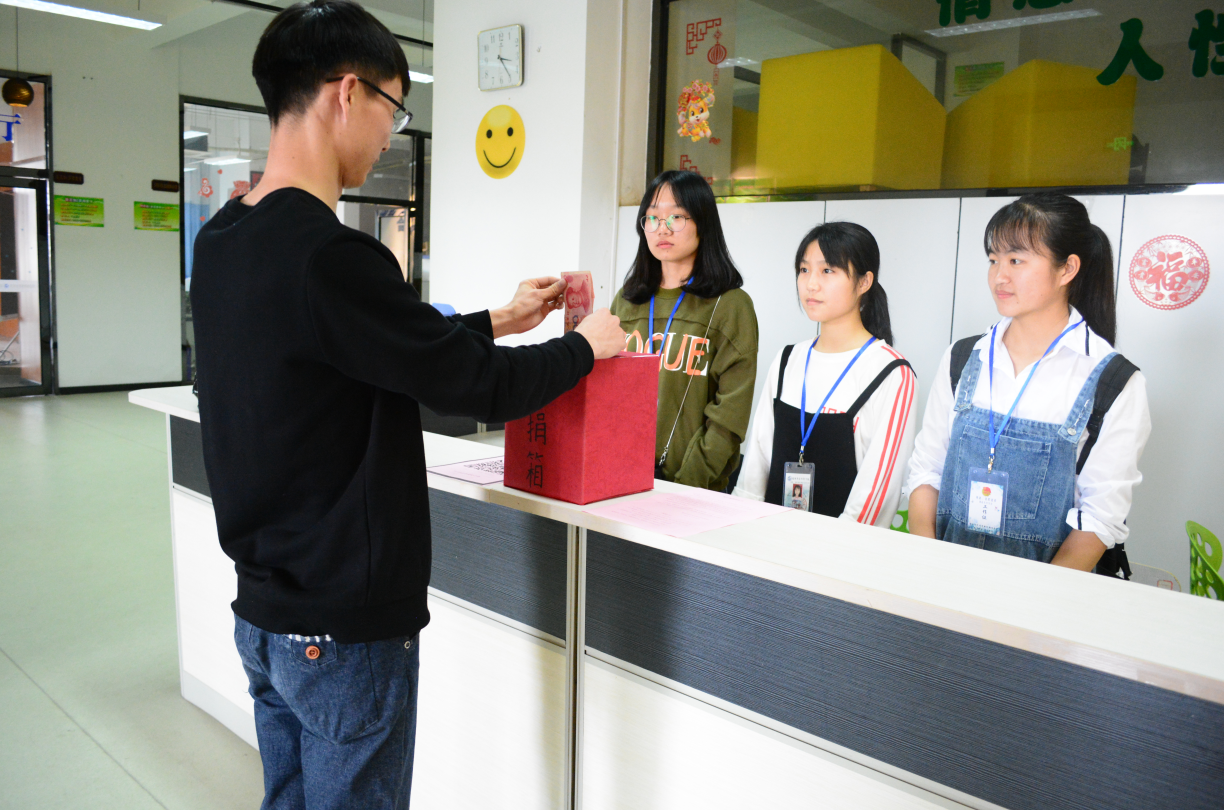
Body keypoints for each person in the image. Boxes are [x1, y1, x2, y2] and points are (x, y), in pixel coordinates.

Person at [188, 3, 625, 807]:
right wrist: (584, 348)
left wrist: (498, 318)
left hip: (265, 612)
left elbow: (364, 344)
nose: (391, 134)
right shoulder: (332, 254)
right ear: (347, 92)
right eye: (395, 108)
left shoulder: (222, 241)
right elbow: (475, 387)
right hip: (342, 630)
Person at [905, 193, 1151, 571]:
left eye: (1016, 260)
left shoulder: (1113, 381)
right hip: (943, 577)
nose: (999, 276)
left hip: (1047, 593)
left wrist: (1031, 602)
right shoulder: (963, 357)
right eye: (994, 260)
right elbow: (926, 471)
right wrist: (928, 566)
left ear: (1067, 269)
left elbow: (1099, 519)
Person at [734, 222, 917, 526]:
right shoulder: (788, 359)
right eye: (804, 270)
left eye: (827, 270)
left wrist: (828, 549)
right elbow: (755, 465)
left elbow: (875, 496)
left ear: (864, 282)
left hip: (839, 549)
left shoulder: (891, 373)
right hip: (767, 538)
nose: (811, 284)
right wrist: (742, 527)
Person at [611, 170, 758, 491]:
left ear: (702, 223)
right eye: (652, 218)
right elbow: (608, 396)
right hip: (620, 480)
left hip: (692, 490)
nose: (662, 228)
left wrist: (687, 484)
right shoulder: (626, 301)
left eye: (676, 217)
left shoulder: (730, 306)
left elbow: (728, 418)